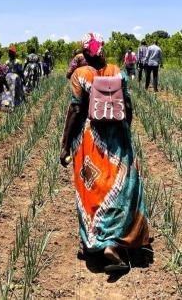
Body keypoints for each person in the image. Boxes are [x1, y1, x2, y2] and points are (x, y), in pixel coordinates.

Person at [60, 32, 150, 272]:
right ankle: (119, 241)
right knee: (120, 188)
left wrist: (65, 144)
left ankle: (94, 242)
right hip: (117, 137)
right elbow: (128, 106)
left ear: (85, 51)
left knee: (91, 189)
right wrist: (125, 133)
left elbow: (76, 111)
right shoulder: (117, 71)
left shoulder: (81, 75)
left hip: (91, 139)